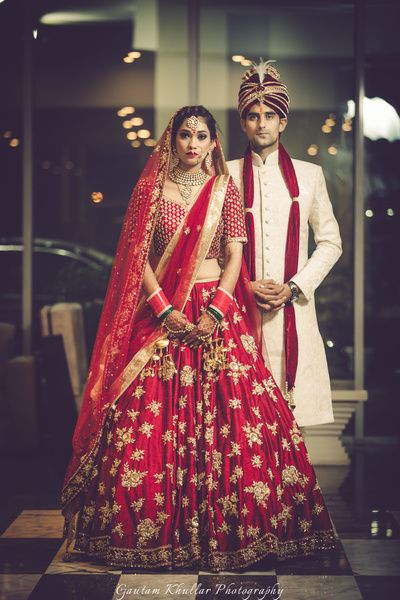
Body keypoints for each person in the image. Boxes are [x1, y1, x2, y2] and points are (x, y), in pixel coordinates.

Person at [61, 105, 337, 573]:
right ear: (173, 140)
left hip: (217, 314)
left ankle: (239, 532)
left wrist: (218, 309)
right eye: (185, 135)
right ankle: (155, 535)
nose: (193, 144)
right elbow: (138, 259)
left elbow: (235, 254)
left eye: (202, 135)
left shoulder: (224, 190)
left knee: (240, 421)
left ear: (213, 142)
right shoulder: (151, 191)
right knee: (148, 422)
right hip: (164, 317)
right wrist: (164, 310)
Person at [227, 60, 342, 427]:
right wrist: (243, 286)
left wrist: (293, 288)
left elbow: (330, 242)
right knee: (242, 430)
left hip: (293, 313)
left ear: (283, 121)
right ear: (243, 122)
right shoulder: (225, 175)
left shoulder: (310, 176)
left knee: (291, 429)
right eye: (254, 115)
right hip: (239, 316)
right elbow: (211, 249)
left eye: (270, 115)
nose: (262, 123)